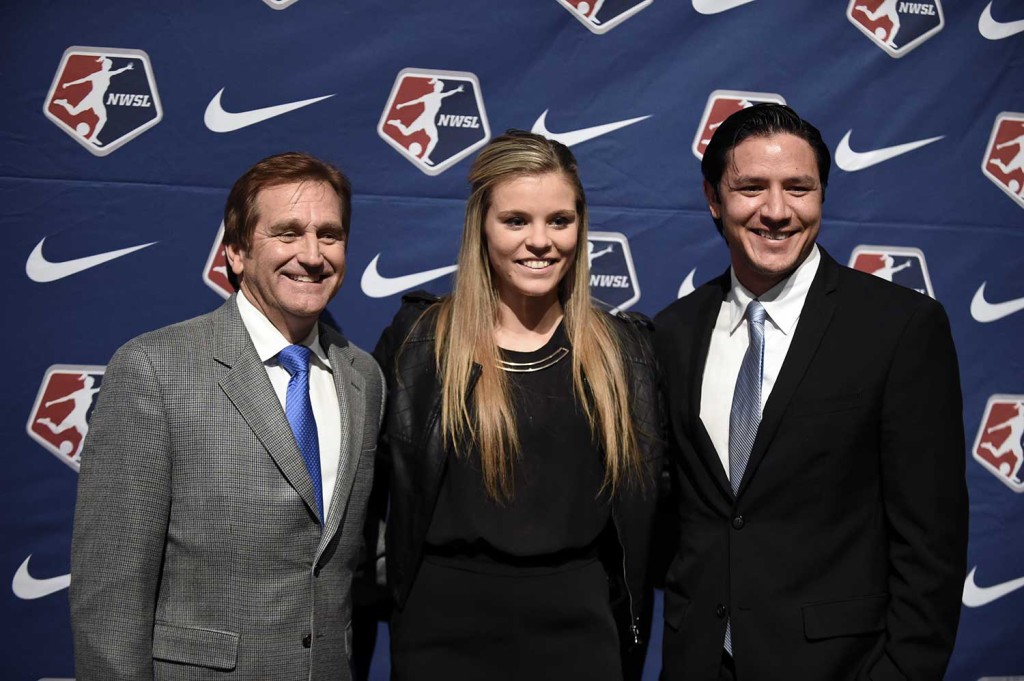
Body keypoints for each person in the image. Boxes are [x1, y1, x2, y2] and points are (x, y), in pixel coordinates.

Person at [654, 104, 967, 680]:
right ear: (713, 199)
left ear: (821, 195)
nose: (776, 211)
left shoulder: (898, 327)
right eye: (751, 187)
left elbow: (932, 543)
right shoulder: (672, 333)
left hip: (842, 668)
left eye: (798, 188)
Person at [70, 152, 385, 680]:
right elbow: (110, 596)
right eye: (287, 233)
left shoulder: (363, 377)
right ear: (236, 253)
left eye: (329, 235)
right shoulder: (154, 368)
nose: (312, 255)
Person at [372, 130, 662, 680]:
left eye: (559, 220)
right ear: (481, 225)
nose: (541, 241)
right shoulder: (420, 342)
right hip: (441, 630)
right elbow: (364, 490)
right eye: (516, 221)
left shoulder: (626, 352)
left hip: (579, 631)